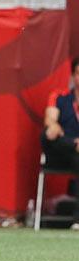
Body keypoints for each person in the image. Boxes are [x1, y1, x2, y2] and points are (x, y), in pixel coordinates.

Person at [42, 57, 79, 230]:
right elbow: (51, 122)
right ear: (73, 76)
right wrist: (72, 142)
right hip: (62, 152)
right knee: (48, 134)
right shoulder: (59, 97)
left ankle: (77, 219)